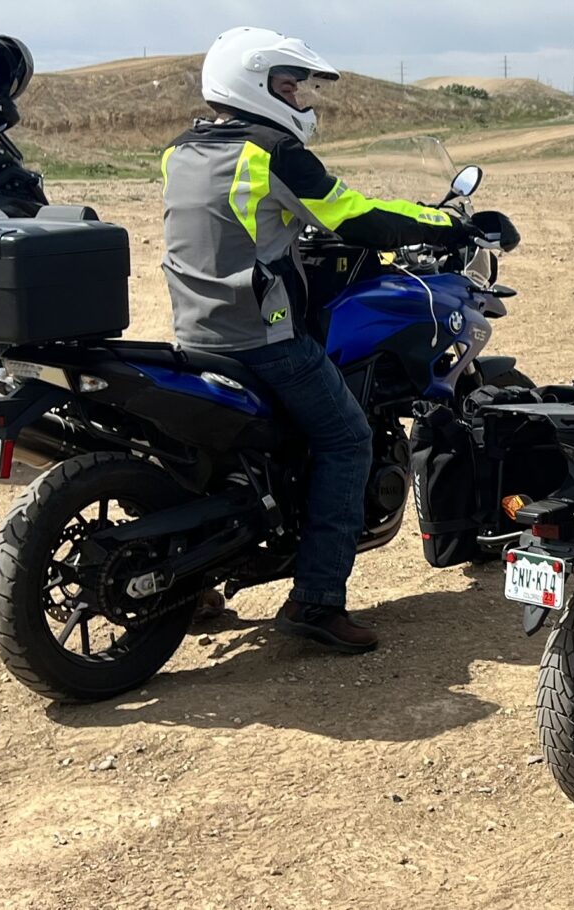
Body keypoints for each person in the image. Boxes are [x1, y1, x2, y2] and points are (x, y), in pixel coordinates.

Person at [161, 27, 517, 652]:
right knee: (348, 438)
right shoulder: (270, 151)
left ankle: (193, 583)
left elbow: (237, 227)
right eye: (289, 85)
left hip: (197, 330)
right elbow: (349, 213)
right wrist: (447, 225)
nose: (302, 98)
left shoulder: (184, 149)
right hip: (262, 338)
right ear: (257, 84)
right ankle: (318, 600)